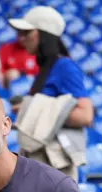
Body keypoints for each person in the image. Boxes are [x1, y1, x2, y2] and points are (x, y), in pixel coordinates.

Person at [8, 6, 93, 178]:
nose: (21, 39)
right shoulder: (47, 68)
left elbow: (85, 115)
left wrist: (33, 109)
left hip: (54, 165)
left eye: (27, 33)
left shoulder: (65, 67)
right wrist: (28, 108)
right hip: (39, 159)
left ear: (45, 35)